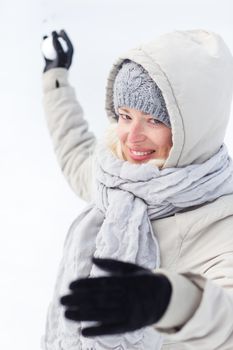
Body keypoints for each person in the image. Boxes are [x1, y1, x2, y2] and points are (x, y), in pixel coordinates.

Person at [40, 29, 233, 350]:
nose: (132, 136)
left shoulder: (217, 222)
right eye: (125, 116)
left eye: (154, 120)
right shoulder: (115, 178)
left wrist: (170, 302)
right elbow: (74, 149)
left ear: (193, 128)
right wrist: (54, 79)